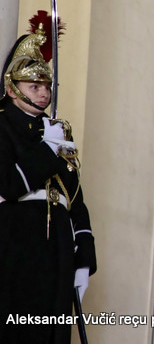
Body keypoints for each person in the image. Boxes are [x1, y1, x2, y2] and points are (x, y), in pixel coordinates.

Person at [0, 17, 96, 344]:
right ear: (12, 88)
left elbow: (74, 197)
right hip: (17, 244)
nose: (43, 95)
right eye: (34, 87)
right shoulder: (3, 127)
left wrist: (84, 255)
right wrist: (47, 149)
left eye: (47, 87)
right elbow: (10, 185)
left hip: (57, 247)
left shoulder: (54, 130)